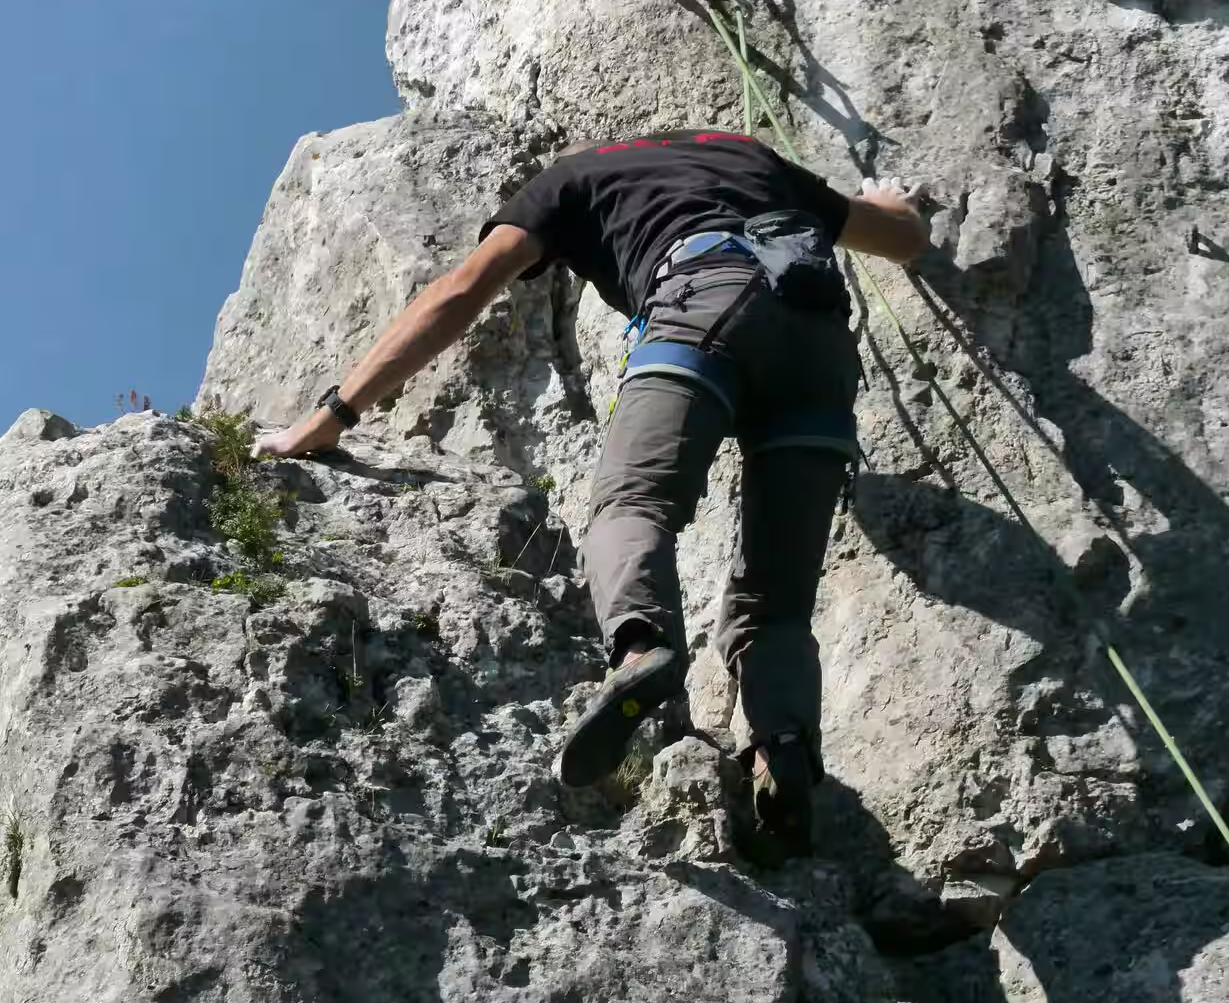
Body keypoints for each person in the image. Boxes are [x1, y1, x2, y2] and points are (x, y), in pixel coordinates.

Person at [252, 131, 931, 854]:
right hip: (820, 349)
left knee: (632, 504)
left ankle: (642, 648)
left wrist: (331, 417)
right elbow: (901, 238)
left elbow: (460, 292)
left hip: (705, 305)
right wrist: (896, 206)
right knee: (777, 600)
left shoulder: (570, 178)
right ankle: (782, 753)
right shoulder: (751, 156)